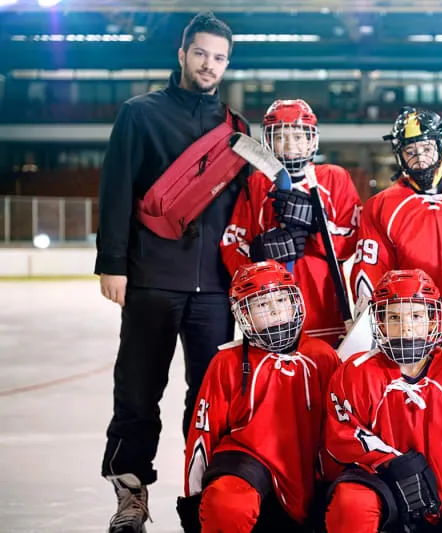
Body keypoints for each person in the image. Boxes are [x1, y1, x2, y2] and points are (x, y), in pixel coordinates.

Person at [94, 12, 249, 532]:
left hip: (216, 287)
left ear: (228, 64)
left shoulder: (238, 131)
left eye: (219, 57)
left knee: (210, 399)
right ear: (182, 54)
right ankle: (131, 496)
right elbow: (116, 190)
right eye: (201, 53)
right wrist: (113, 264)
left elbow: (246, 209)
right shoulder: (139, 114)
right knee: (138, 391)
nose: (209, 65)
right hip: (153, 278)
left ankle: (202, 492)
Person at [176, 260, 340, 533]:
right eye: (262, 305)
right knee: (226, 504)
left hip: (308, 472)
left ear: (295, 302)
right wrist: (195, 503)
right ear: (244, 314)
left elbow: (338, 428)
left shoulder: (323, 356)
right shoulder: (226, 362)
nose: (275, 311)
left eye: (281, 300)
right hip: (246, 463)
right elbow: (202, 436)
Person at [324, 269, 442, 533]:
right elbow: (344, 435)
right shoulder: (355, 372)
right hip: (380, 482)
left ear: (433, 320)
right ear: (380, 323)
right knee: (351, 503)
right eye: (394, 317)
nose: (406, 327)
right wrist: (397, 465)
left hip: (440, 496)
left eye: (416, 316)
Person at [349, 107, 442, 342]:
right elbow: (370, 278)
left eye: (427, 148)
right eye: (410, 150)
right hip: (406, 334)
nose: (419, 158)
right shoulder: (380, 206)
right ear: (399, 155)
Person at [221, 98, 362, 346]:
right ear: (268, 141)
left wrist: (316, 226)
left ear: (311, 139)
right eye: (280, 137)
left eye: (298, 136)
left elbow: (353, 240)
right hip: (270, 304)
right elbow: (233, 242)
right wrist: (258, 253)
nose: (289, 145)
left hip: (324, 301)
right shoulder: (256, 184)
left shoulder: (334, 178)